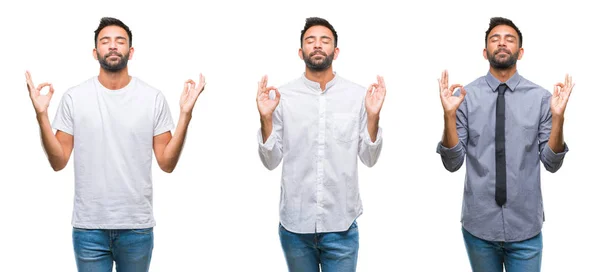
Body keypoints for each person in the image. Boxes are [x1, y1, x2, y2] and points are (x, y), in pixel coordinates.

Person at [25, 17, 205, 272]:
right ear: (95, 51)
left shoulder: (151, 98)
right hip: (89, 228)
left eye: (119, 41)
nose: (112, 46)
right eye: (105, 41)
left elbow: (167, 163)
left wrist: (185, 115)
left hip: (136, 227)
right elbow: (58, 161)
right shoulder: (75, 98)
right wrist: (41, 115)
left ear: (130, 52)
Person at [436, 17, 573, 272]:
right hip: (479, 227)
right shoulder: (464, 97)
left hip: (526, 228)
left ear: (520, 52)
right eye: (494, 39)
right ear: (485, 51)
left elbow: (552, 163)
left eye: (509, 39)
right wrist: (449, 115)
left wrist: (558, 118)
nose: (502, 43)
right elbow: (452, 162)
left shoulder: (542, 99)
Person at [256, 17, 386, 272]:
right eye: (310, 40)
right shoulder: (281, 97)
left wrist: (373, 116)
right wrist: (265, 118)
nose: (317, 45)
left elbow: (369, 158)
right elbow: (270, 161)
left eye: (325, 40)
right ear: (300, 51)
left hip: (342, 225)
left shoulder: (359, 96)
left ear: (335, 52)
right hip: (295, 227)